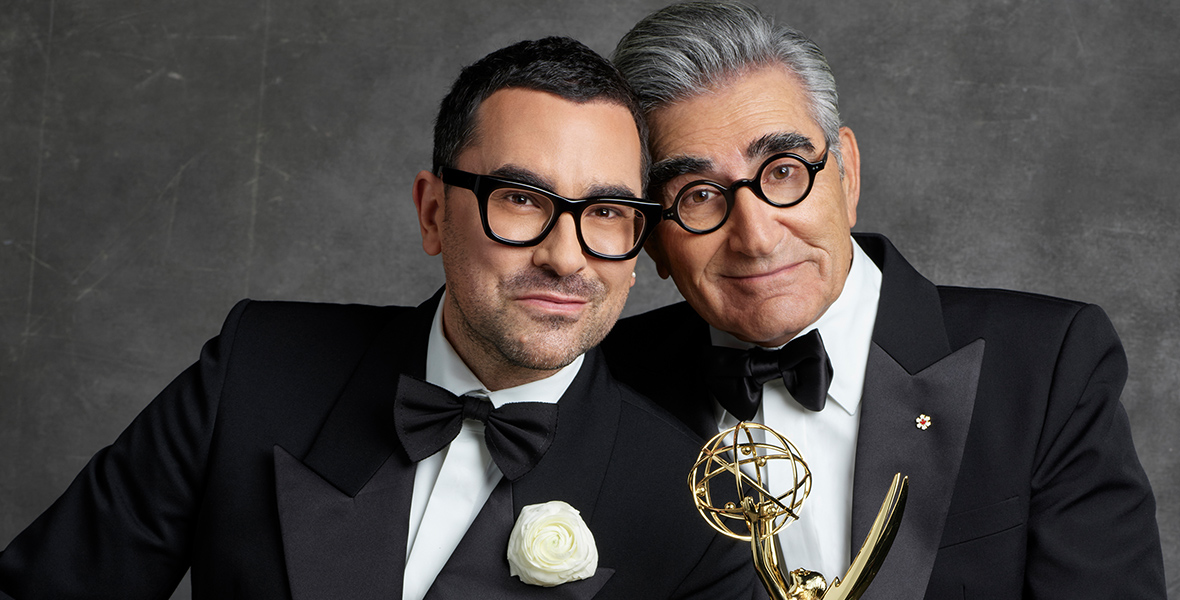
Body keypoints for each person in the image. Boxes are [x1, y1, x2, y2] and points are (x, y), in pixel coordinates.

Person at [0, 36, 758, 600]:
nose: (567, 257)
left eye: (606, 212)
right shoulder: (255, 367)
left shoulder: (696, 512)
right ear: (433, 214)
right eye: (520, 200)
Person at [602, 2, 1167, 598]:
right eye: (698, 195)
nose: (757, 237)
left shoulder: (1047, 365)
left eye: (785, 171)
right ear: (651, 239)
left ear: (846, 175)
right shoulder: (600, 382)